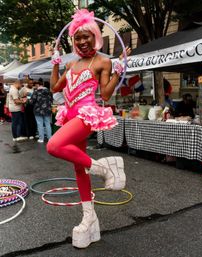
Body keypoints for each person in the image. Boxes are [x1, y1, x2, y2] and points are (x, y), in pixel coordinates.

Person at [47, 9, 130, 248]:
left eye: (87, 36)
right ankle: (89, 219)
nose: (82, 41)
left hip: (85, 115)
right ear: (72, 40)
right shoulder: (72, 63)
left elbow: (105, 94)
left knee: (54, 145)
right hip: (69, 115)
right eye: (77, 38)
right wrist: (55, 64)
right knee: (79, 169)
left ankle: (104, 168)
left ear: (95, 36)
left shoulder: (102, 61)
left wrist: (118, 71)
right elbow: (55, 88)